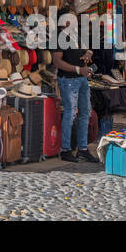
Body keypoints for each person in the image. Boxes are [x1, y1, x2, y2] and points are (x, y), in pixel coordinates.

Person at [54, 32, 96, 163]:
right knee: (70, 113)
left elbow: (86, 49)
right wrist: (78, 70)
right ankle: (65, 149)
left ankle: (82, 149)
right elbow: (57, 61)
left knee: (85, 113)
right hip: (68, 80)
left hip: (81, 79)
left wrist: (88, 53)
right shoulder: (59, 37)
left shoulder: (76, 36)